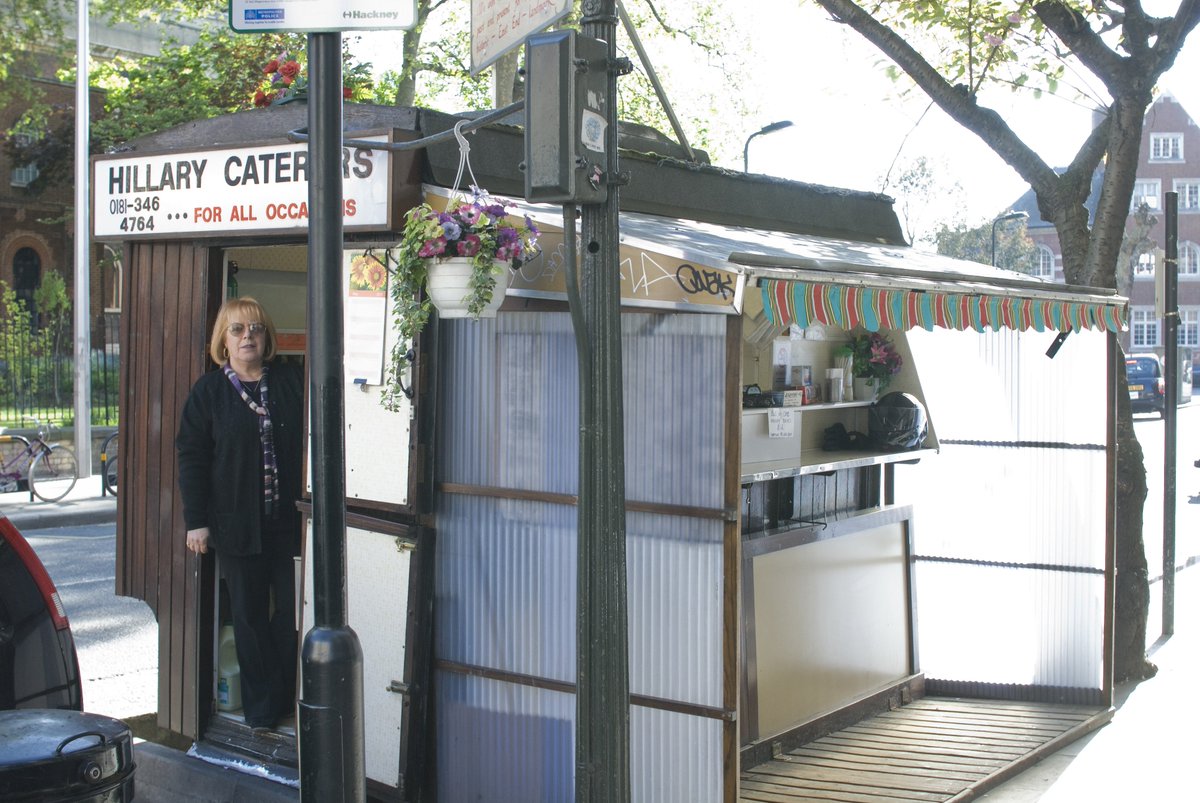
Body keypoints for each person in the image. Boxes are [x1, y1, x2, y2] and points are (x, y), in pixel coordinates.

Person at [176, 297, 303, 731]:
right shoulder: (208, 393)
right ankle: (263, 711)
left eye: (255, 329)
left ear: (266, 337)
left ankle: (287, 697)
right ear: (223, 341)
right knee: (248, 618)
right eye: (237, 330)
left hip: (288, 526)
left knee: (292, 613)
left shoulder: (290, 381)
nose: (247, 336)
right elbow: (191, 458)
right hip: (235, 526)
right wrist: (197, 521)